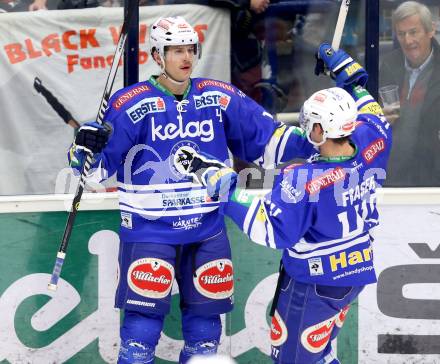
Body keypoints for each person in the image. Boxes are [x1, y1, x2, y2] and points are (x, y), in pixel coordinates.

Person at [68, 16, 315, 363]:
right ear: (157, 55)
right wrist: (84, 149)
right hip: (149, 230)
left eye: (190, 49)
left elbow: (267, 138)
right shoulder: (130, 104)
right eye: (175, 50)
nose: (185, 57)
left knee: (205, 332)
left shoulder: (218, 96)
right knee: (140, 332)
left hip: (207, 230)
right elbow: (94, 168)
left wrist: (318, 142)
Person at [181, 44, 392, 363]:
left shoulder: (304, 179)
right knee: (317, 354)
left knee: (293, 359)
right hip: (354, 274)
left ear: (321, 130)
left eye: (310, 124)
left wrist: (219, 182)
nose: (306, 130)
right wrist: (350, 77)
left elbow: (269, 229)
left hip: (314, 284)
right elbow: (374, 114)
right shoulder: (372, 142)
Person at [380, 1, 440, 186]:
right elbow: (370, 113)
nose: (408, 40)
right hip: (391, 175)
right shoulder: (388, 65)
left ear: (431, 30)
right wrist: (380, 118)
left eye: (413, 32)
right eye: (401, 34)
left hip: (432, 179)